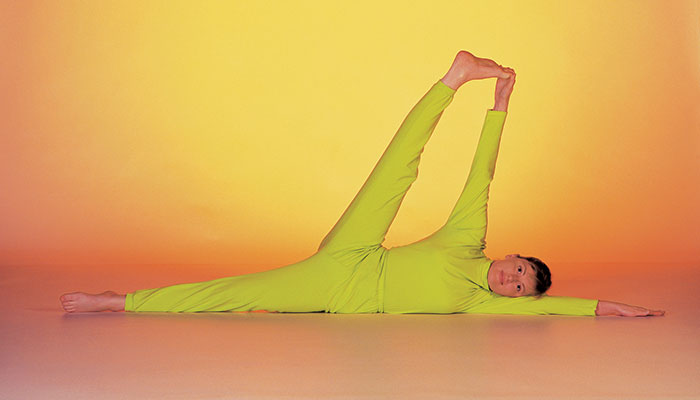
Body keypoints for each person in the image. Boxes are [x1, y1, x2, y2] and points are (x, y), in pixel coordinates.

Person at [60, 51, 664, 317]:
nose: (514, 280)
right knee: (397, 172)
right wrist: (499, 104)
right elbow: (482, 173)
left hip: (336, 291)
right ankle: (453, 79)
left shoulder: (479, 304)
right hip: (357, 253)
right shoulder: (468, 241)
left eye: (522, 287)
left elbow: (563, 309)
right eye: (521, 269)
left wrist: (620, 310)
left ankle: (117, 301)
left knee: (235, 294)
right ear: (511, 256)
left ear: (515, 297)